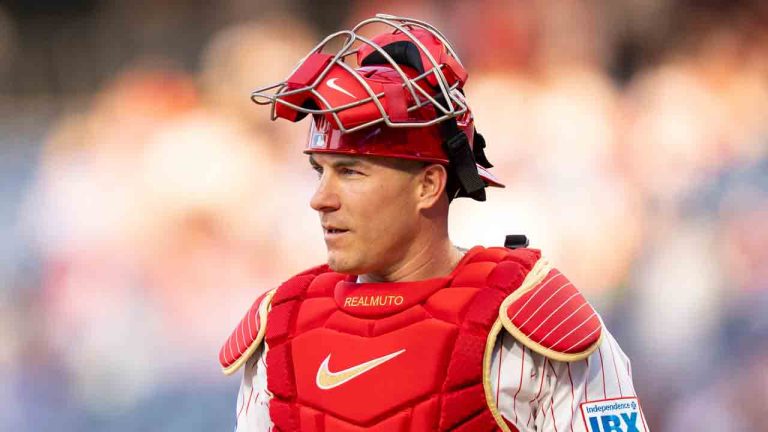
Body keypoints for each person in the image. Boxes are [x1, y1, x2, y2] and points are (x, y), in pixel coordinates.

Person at [219, 14, 647, 432]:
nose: (320, 199)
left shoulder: (533, 322)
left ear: (428, 184)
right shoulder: (281, 329)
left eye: (350, 172)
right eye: (320, 171)